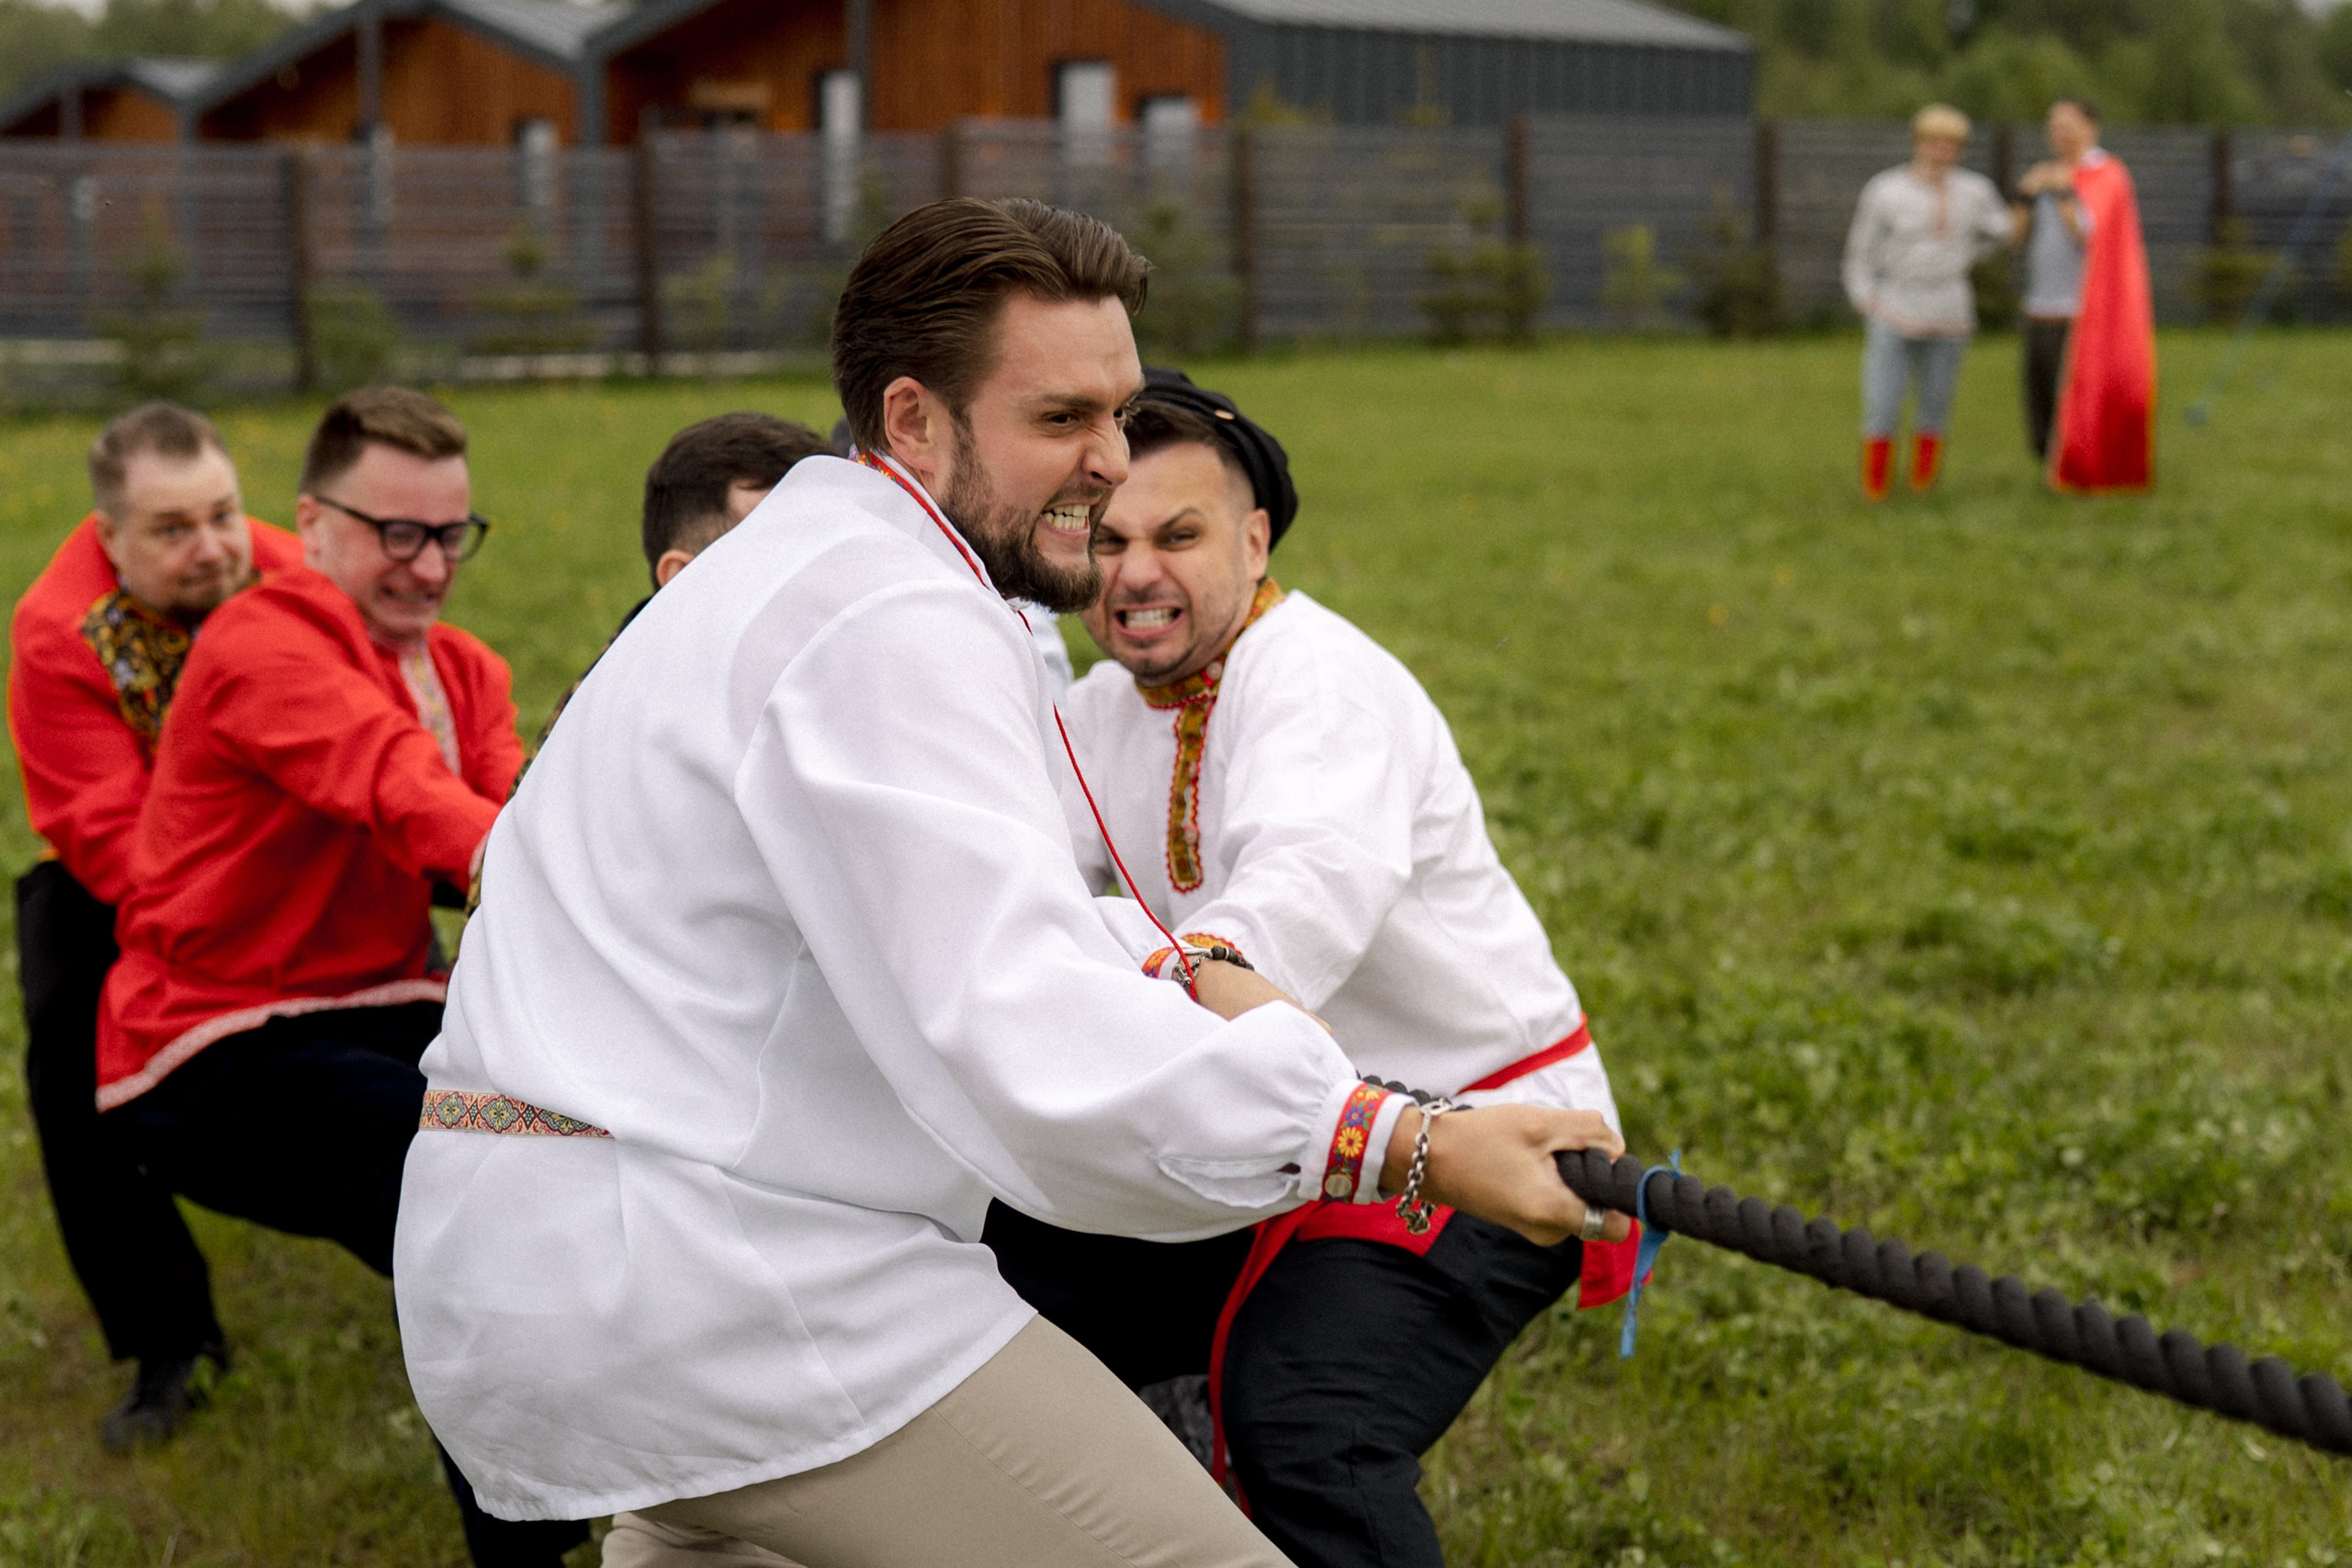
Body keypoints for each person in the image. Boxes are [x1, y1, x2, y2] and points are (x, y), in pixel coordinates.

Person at [394, 197, 1627, 1568]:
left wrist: (1199, 986)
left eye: (1120, 413)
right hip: (724, 1287)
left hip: (547, 1267)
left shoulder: (789, 576)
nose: (1109, 463)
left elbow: (1027, 917)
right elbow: (1021, 1018)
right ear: (912, 420)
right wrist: (1407, 1141)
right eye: (1061, 419)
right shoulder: (891, 612)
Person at [983, 369, 1641, 1568]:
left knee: (1306, 1422)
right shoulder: (1096, 714)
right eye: (1109, 539)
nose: (1135, 573)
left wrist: (1179, 970)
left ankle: (1235, 1455)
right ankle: (1178, 1475)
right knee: (999, 1278)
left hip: (1482, 1138)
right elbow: (1010, 890)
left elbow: (1301, 890)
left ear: (1253, 540)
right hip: (1271, 1128)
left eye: (1178, 536)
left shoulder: (1320, 684)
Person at [93, 387, 586, 1567]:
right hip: (213, 1043)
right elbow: (393, 782)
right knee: (465, 1199)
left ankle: (619, 1458)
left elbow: (511, 817)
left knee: (583, 1144)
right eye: (396, 533)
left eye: (451, 535)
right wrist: (557, 877)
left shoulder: (466, 669)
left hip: (387, 1007)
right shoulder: (258, 643)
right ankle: (530, 1542)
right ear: (311, 526)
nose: (430, 566)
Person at [6, 402, 303, 1451]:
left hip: (301, 832)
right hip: (143, 871)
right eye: (172, 530)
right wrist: (242, 923)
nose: (212, 547)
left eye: (223, 513)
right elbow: (112, 842)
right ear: (110, 537)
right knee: (67, 1039)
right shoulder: (61, 634)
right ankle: (168, 1336)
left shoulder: (291, 572)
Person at [1841, 104, 2013, 501]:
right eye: (1934, 142)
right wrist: (1865, 299)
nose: (1941, 152)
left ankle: (1923, 483)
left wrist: (1972, 254)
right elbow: (1860, 252)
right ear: (1917, 143)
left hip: (1950, 311)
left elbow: (2003, 232)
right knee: (1883, 403)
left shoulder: (1974, 191)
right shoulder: (1886, 190)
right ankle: (1876, 486)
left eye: (1950, 145)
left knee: (1936, 403)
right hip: (1894, 308)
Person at [2025, 97, 2154, 494]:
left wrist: (2065, 193)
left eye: (2068, 124)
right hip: (2040, 304)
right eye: (2053, 125)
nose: (2059, 133)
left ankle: (2079, 467)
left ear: (2091, 128)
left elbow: (2092, 235)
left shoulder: (2108, 174)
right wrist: (2027, 194)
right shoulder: (2048, 173)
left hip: (2084, 310)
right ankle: (2054, 466)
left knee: (2078, 395)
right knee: (2041, 398)